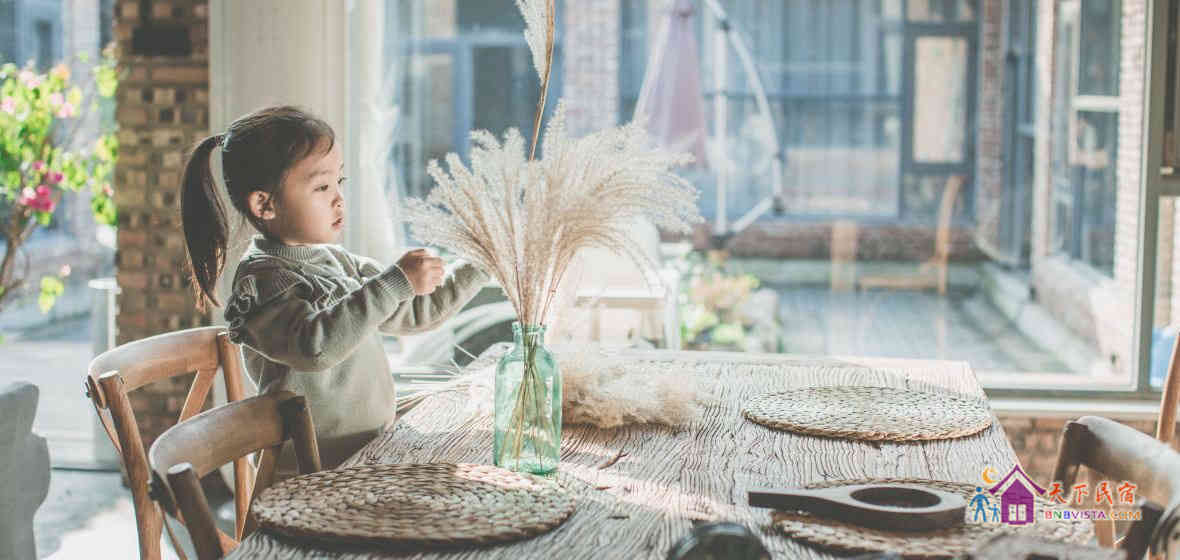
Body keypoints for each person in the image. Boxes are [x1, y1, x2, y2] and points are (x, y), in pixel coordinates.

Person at [180, 105, 489, 472]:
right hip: (309, 475)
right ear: (265, 204)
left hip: (368, 455)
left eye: (339, 182)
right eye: (322, 187)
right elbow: (316, 347)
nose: (339, 198)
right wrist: (395, 282)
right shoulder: (263, 283)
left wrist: (484, 258)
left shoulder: (338, 262)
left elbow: (419, 312)